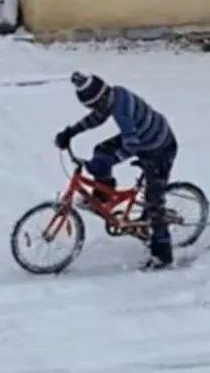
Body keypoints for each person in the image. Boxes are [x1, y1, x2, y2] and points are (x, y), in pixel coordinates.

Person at [53, 72, 178, 270]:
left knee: (154, 203)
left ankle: (163, 254)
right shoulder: (112, 95)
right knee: (101, 151)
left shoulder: (121, 111)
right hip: (141, 137)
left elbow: (132, 146)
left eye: (93, 105)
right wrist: (71, 132)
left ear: (101, 98)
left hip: (159, 146)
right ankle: (103, 197)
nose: (93, 109)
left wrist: (113, 159)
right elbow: (97, 118)